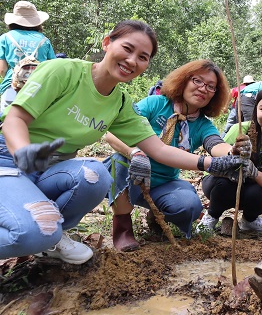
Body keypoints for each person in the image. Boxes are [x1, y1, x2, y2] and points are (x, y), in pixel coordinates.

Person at [0, 20, 246, 265]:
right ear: (107, 43)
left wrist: (214, 163)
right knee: (33, 232)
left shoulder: (119, 103)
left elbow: (160, 149)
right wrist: (24, 151)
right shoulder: (64, 71)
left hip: (53, 167)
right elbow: (14, 120)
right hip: (9, 159)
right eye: (127, 49)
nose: (132, 61)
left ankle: (50, 237)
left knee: (94, 175)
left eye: (142, 57)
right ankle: (45, 235)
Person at [103, 59, 250, 251]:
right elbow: (112, 133)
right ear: (184, 81)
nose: (203, 89)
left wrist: (233, 152)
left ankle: (158, 217)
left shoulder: (202, 125)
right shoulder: (155, 104)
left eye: (210, 87)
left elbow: (216, 144)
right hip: (132, 174)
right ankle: (122, 228)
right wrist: (134, 152)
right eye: (197, 81)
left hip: (165, 183)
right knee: (119, 162)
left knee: (190, 207)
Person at [199, 85, 262, 234]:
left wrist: (255, 173)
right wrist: (232, 157)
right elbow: (216, 160)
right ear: (255, 110)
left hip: (252, 188)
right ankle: (212, 216)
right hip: (220, 183)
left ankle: (250, 220)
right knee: (225, 185)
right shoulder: (240, 130)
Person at [0, 1, 56, 111]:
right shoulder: (44, 41)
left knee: (6, 122)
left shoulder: (5, 38)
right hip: (38, 88)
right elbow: (53, 67)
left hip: (11, 87)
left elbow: (2, 70)